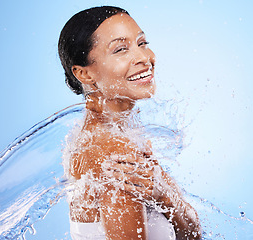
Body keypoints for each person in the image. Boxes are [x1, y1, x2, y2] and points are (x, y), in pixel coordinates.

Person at [59, 6, 202, 240]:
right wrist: (167, 197)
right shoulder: (114, 154)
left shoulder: (108, 134)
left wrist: (165, 196)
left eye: (142, 42)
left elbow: (191, 229)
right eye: (121, 49)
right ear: (84, 74)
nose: (144, 58)